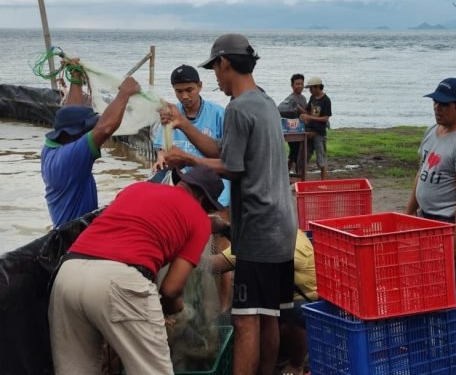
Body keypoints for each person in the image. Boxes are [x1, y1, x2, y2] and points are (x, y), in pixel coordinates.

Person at [162, 33, 297, 375]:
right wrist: (182, 125)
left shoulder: (237, 107)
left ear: (225, 64)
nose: (217, 79)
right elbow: (225, 150)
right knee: (268, 315)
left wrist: (185, 160)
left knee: (245, 321)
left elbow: (233, 169)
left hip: (258, 230)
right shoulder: (263, 101)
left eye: (216, 71)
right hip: (282, 226)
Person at [48, 164, 224, 375]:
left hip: (68, 274)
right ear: (204, 200)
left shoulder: (136, 188)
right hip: (120, 280)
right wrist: (178, 312)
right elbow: (170, 290)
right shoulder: (199, 218)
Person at [406, 77, 456, 294]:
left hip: (449, 222)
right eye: (435, 102)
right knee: (426, 277)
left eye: (444, 104)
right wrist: (409, 213)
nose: (437, 108)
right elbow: (421, 173)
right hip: (427, 218)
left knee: (452, 282)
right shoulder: (433, 131)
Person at [41, 63, 140, 228]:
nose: (91, 131)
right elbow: (106, 128)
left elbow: (71, 112)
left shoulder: (51, 146)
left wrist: (76, 78)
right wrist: (124, 93)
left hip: (64, 230)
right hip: (73, 236)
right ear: (72, 135)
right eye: (87, 130)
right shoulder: (70, 158)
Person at [211, 230, 316, 375]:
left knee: (248, 318)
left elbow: (216, 265)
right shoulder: (287, 229)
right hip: (302, 298)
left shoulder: (259, 239)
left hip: (302, 306)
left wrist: (184, 255)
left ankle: (295, 365)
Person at [152, 64, 230, 207]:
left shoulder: (218, 114)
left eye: (189, 90)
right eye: (179, 91)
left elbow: (227, 154)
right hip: (183, 185)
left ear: (199, 86)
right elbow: (161, 149)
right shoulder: (170, 114)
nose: (185, 96)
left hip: (215, 188)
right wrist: (161, 158)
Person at [299, 76, 331, 180]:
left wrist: (309, 117)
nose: (310, 90)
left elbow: (326, 118)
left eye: (311, 88)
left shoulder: (326, 100)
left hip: (319, 133)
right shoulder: (312, 98)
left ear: (317, 87)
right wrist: (302, 113)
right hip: (309, 131)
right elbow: (308, 111)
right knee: (304, 156)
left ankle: (324, 182)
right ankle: (302, 180)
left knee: (321, 159)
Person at [278, 74, 307, 172]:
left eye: (301, 84)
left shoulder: (303, 98)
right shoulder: (290, 99)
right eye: (297, 84)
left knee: (295, 154)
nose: (299, 86)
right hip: (292, 130)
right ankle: (292, 174)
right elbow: (280, 110)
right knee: (295, 153)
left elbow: (306, 113)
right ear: (292, 85)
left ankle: (289, 174)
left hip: (301, 131)